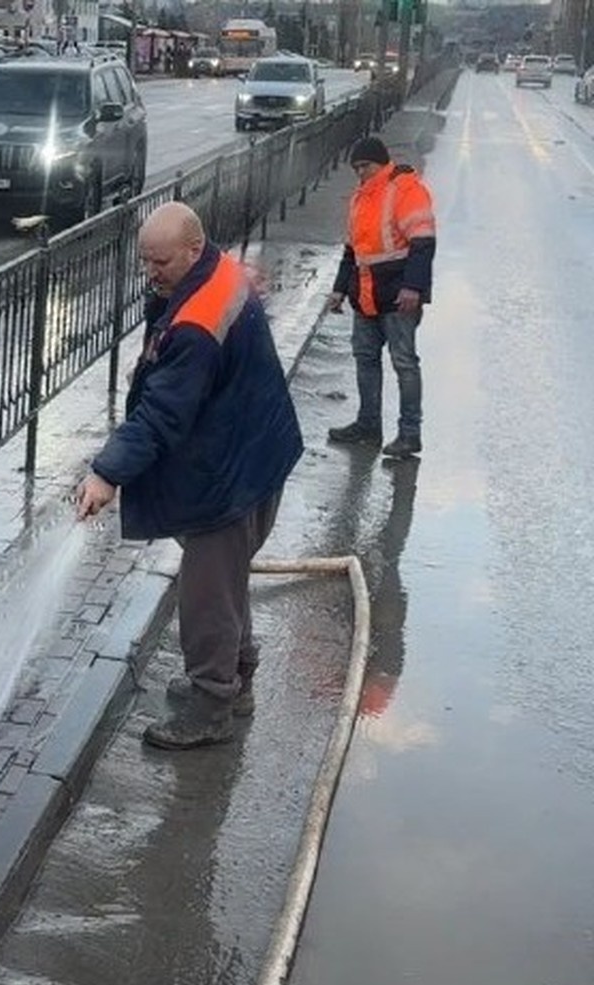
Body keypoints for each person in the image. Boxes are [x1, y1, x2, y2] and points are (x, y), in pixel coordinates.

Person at [75, 202, 303, 750]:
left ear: (194, 249)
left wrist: (107, 474)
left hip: (229, 473)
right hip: (252, 452)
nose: (151, 274)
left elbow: (161, 413)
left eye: (161, 262)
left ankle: (210, 707)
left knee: (206, 599)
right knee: (226, 586)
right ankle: (235, 679)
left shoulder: (198, 325)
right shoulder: (220, 271)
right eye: (145, 262)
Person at [327, 136, 436, 459]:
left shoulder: (404, 189)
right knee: (366, 360)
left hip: (399, 295)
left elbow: (423, 243)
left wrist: (413, 288)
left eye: (366, 166)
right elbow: (353, 250)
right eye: (357, 168)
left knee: (404, 363)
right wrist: (338, 289)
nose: (361, 173)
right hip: (367, 294)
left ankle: (409, 434)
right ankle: (368, 426)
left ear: (382, 162)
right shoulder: (360, 198)